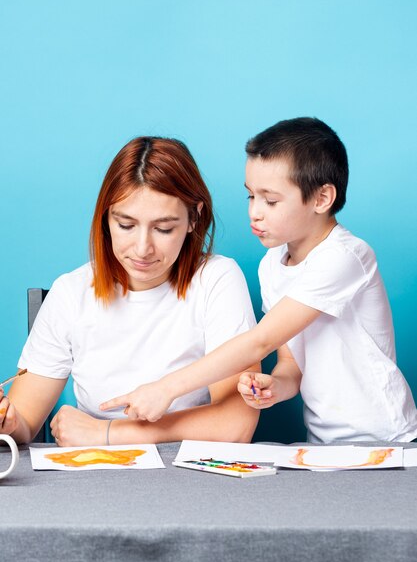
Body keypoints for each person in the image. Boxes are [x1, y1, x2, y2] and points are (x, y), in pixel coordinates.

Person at [101, 117, 417, 444]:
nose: (255, 212)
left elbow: (260, 341)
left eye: (271, 200)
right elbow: (291, 366)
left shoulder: (346, 257)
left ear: (322, 199)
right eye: (251, 196)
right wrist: (275, 387)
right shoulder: (272, 264)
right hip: (324, 444)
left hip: (387, 438)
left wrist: (166, 388)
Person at [0, 137, 259, 446]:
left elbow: (235, 425)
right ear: (106, 219)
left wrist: (106, 433)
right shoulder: (71, 292)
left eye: (163, 229)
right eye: (125, 225)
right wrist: (8, 423)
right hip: (93, 474)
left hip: (189, 477)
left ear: (194, 217)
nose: (142, 248)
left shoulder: (217, 279)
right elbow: (24, 423)